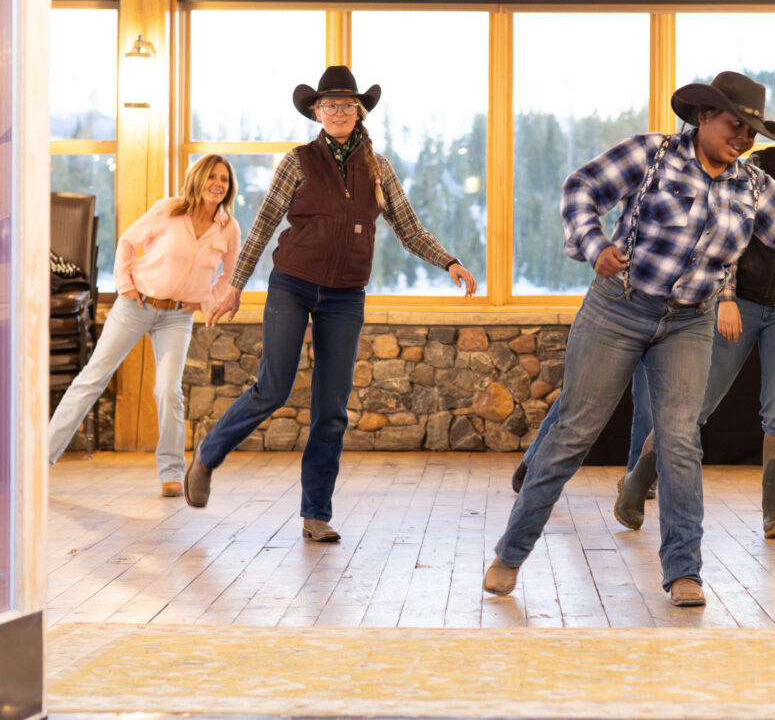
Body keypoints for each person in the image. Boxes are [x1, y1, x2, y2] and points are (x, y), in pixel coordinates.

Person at [482, 71, 775, 607]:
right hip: (620, 309)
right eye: (736, 125)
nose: (745, 138)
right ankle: (510, 555)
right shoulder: (652, 154)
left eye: (752, 131)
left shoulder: (749, 184)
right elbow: (581, 188)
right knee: (574, 432)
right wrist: (592, 245)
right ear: (704, 117)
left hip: (689, 321)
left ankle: (684, 572)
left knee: (681, 441)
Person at [184, 66, 477, 542]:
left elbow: (408, 227)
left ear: (358, 112)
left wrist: (449, 262)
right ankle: (207, 456)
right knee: (273, 387)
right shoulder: (296, 162)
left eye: (347, 104)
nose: (339, 111)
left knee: (331, 408)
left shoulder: (378, 167)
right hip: (292, 285)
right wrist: (235, 285)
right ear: (316, 113)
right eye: (330, 105)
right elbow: (260, 226)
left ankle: (315, 513)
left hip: (345, 295)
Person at [614, 82, 775, 540]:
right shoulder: (755, 168)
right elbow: (722, 238)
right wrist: (726, 297)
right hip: (742, 303)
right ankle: (636, 485)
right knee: (695, 407)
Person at [49, 155, 241, 497]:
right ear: (197, 179)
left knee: (168, 390)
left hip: (177, 317)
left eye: (224, 179)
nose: (218, 183)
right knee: (92, 379)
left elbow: (230, 275)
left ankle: (171, 473)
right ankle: (41, 462)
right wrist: (125, 285)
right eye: (212, 176)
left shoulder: (228, 227)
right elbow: (127, 242)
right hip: (136, 306)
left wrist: (203, 302)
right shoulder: (168, 210)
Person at [511, 363, 652, 494]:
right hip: (614, 336)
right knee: (580, 390)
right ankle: (533, 460)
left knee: (648, 402)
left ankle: (642, 478)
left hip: (656, 337)